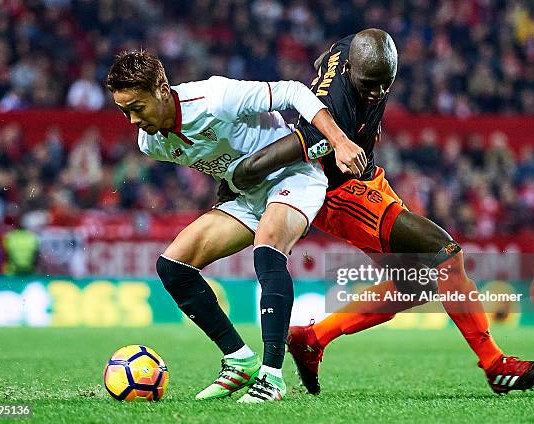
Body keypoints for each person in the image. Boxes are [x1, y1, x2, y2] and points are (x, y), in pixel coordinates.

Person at [225, 29, 534, 395]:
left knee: (415, 283)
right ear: (349, 70)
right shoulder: (331, 106)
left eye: (385, 85)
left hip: (369, 181)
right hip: (340, 194)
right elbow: (297, 144)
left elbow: (323, 62)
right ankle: (494, 364)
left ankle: (312, 338)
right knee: (444, 253)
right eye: (369, 85)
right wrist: (241, 174)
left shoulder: (353, 50)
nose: (378, 93)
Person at [105, 50, 363, 403]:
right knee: (173, 266)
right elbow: (217, 158)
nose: (133, 120)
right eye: (124, 111)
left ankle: (272, 377)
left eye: (137, 107)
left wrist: (339, 141)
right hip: (246, 196)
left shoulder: (215, 98)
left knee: (268, 244)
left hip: (294, 175)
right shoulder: (151, 143)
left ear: (162, 89)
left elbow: (293, 91)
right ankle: (239, 360)